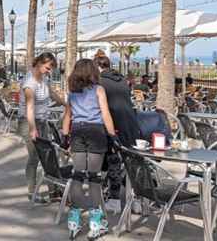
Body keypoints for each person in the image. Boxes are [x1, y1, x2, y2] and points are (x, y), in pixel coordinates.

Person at [62, 59, 117, 239]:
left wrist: (65, 136)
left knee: (77, 176)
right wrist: (113, 136)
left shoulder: (73, 93)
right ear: (93, 71)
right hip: (95, 131)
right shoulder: (98, 90)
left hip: (77, 131)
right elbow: (105, 113)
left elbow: (67, 117)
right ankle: (95, 223)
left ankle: (74, 221)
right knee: (94, 178)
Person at [93, 54, 142, 215]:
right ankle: (136, 201)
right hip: (132, 126)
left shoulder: (100, 82)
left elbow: (101, 108)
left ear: (98, 67)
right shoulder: (121, 80)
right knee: (130, 166)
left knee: (113, 164)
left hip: (115, 127)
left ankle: (114, 201)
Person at [18, 52, 66, 203]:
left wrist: (66, 104)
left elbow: (51, 93)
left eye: (51, 68)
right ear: (39, 63)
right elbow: (29, 108)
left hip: (42, 120)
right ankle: (32, 192)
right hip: (28, 121)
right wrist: (33, 129)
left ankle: (54, 191)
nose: (49, 71)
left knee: (48, 155)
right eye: (47, 67)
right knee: (35, 157)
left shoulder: (43, 78)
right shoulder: (29, 83)